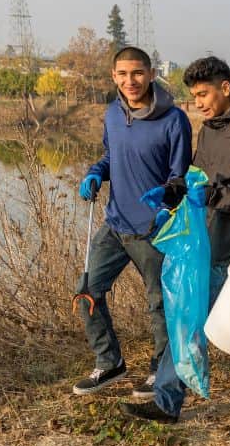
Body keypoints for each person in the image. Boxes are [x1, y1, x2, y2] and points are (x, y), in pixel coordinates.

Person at [120, 56, 230, 423]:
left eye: (203, 94)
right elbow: (198, 177)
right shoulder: (209, 129)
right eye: (194, 96)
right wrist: (172, 192)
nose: (197, 103)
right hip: (209, 240)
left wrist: (213, 197)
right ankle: (167, 400)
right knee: (187, 315)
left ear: (225, 88)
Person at [73, 46, 192, 397]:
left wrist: (165, 204)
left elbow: (180, 176)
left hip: (153, 229)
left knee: (159, 303)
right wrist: (96, 173)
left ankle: (162, 371)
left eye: (138, 73)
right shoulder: (113, 114)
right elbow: (112, 155)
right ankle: (109, 363)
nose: (131, 81)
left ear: (151, 74)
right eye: (123, 74)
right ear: (114, 77)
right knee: (88, 292)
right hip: (115, 223)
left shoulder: (174, 120)